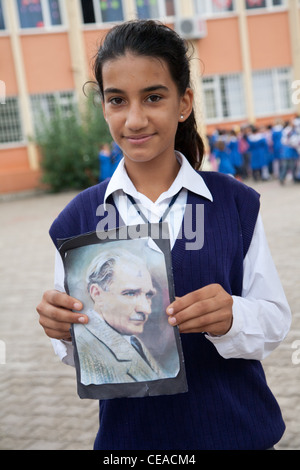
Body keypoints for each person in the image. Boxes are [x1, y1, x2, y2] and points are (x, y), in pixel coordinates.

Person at [36, 20, 291, 450]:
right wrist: (62, 328)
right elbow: (79, 351)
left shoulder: (233, 204)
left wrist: (233, 316)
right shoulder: (77, 218)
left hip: (237, 431)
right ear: (104, 107)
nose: (134, 119)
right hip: (132, 443)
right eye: (117, 100)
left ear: (184, 102)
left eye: (153, 97)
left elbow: (274, 320)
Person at [75, 248, 168, 385]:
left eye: (148, 295)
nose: (146, 309)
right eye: (130, 293)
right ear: (97, 294)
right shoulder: (88, 351)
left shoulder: (131, 340)